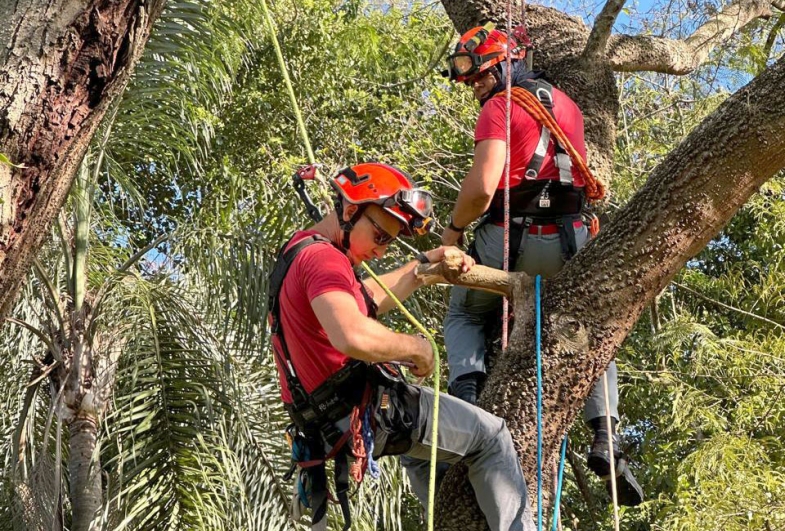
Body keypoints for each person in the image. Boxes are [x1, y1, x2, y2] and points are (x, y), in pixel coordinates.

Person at [438, 24, 644, 506]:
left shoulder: (501, 106)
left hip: (511, 237)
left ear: (506, 64)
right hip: (571, 239)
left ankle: (466, 406)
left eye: (480, 75)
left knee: (466, 314)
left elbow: (484, 187)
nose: (474, 87)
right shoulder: (567, 106)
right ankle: (606, 434)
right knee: (593, 333)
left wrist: (453, 230)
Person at [269, 162, 535, 530]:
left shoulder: (301, 251)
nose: (382, 251)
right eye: (380, 237)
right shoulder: (324, 260)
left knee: (423, 456)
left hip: (338, 420)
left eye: (390, 242)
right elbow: (351, 333)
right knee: (492, 437)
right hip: (367, 411)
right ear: (349, 211)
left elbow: (369, 297)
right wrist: (415, 347)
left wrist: (425, 268)